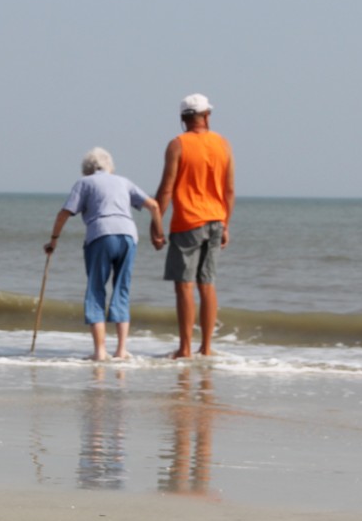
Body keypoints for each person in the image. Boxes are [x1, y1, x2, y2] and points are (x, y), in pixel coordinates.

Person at [47, 147, 163, 361]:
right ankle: (121, 350)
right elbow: (154, 206)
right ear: (110, 166)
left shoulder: (84, 183)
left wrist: (53, 240)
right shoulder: (123, 182)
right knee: (122, 289)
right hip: (128, 236)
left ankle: (100, 352)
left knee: (95, 289)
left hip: (100, 235)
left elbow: (65, 212)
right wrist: (158, 234)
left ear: (86, 169)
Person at [152, 93, 235, 358]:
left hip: (188, 220)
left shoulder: (178, 145)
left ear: (183, 119)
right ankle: (207, 348)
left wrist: (157, 223)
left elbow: (167, 188)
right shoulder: (223, 144)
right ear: (206, 116)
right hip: (215, 219)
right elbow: (230, 190)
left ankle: (185, 348)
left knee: (184, 285)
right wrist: (226, 225)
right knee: (207, 284)